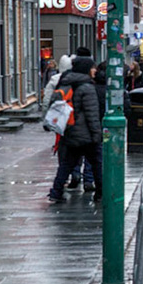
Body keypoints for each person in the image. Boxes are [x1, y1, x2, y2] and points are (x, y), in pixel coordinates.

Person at [47, 53, 104, 204]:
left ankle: (56, 192)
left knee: (66, 165)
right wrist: (97, 135)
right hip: (86, 134)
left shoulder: (66, 83)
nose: (95, 70)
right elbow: (92, 114)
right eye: (92, 67)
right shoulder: (87, 87)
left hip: (70, 131)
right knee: (97, 163)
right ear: (86, 69)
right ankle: (100, 193)